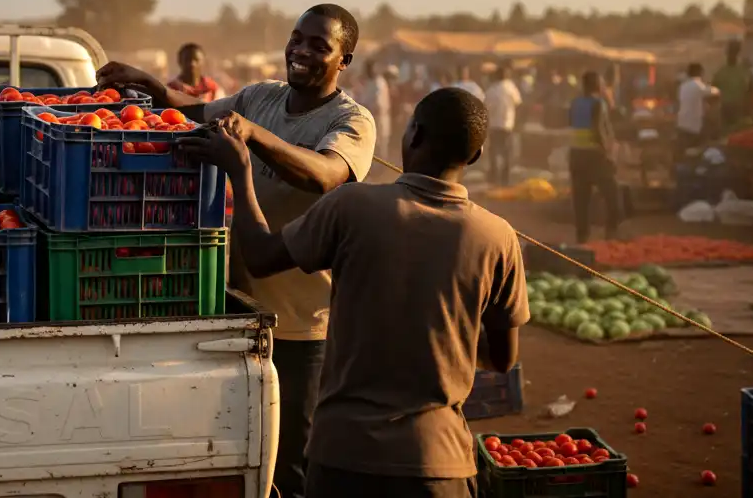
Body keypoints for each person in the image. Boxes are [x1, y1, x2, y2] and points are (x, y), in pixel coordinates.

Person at [186, 87, 525, 498]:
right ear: (476, 156)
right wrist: (441, 329)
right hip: (438, 463)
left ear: (412, 135)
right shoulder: (497, 237)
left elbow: (259, 256)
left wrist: (240, 172)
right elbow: (503, 358)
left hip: (344, 457)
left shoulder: (352, 207)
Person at [98, 4, 376, 498]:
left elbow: (325, 175)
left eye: (319, 45)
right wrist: (152, 86)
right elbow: (193, 111)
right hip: (238, 309)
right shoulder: (260, 97)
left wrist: (248, 140)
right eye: (297, 38)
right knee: (237, 453)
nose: (301, 51)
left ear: (344, 60)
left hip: (302, 327)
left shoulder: (351, 121)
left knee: (289, 462)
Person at [569, 71, 620, 244]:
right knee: (613, 197)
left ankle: (581, 238)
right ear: (597, 85)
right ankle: (611, 235)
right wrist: (609, 153)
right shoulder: (598, 104)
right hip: (595, 155)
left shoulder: (575, 103)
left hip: (576, 155)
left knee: (581, 200)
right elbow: (599, 130)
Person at [484, 64, 523, 186]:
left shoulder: (492, 89)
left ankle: (494, 175)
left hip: (494, 124)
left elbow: (486, 106)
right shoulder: (511, 88)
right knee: (506, 151)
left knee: (494, 150)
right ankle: (505, 177)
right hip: (507, 124)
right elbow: (518, 103)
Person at [676, 63, 719, 155]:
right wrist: (717, 88)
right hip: (694, 125)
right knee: (699, 149)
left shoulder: (683, 86)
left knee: (682, 152)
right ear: (700, 73)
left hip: (681, 123)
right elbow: (713, 92)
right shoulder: (698, 86)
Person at [355, 60, 393, 160]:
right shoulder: (369, 82)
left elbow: (378, 105)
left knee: (380, 144)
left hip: (378, 118)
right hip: (370, 117)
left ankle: (380, 170)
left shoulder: (378, 83)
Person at [712, 40, 752, 129]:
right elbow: (713, 90)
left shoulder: (744, 71)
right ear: (727, 53)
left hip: (740, 108)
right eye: (730, 52)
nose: (732, 55)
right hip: (725, 108)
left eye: (734, 52)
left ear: (738, 53)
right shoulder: (721, 71)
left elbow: (750, 91)